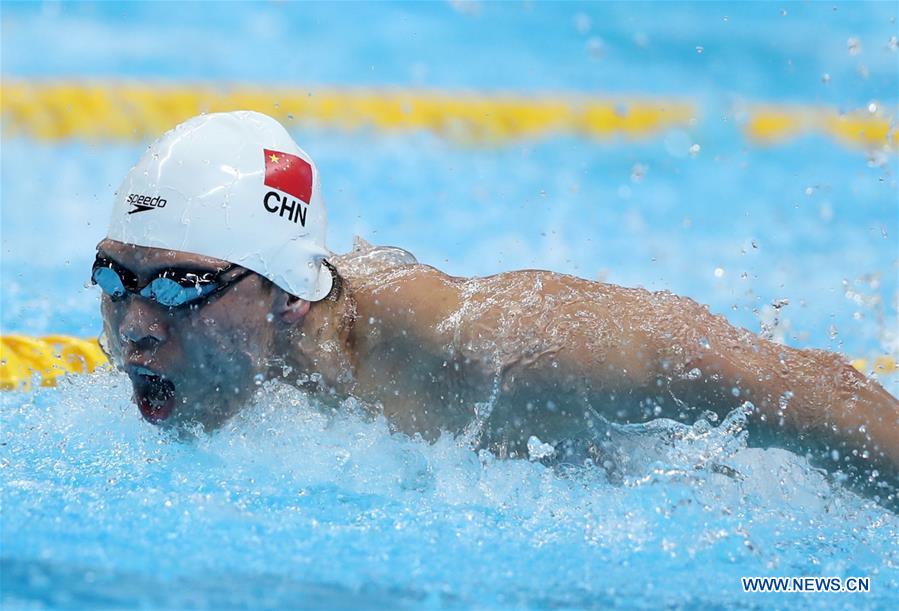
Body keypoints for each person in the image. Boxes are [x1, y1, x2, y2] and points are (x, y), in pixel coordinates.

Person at [94, 111, 899, 500]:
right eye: (114, 280)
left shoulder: (486, 355)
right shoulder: (232, 350)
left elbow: (777, 380)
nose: (135, 330)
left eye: (178, 287)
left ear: (289, 298)